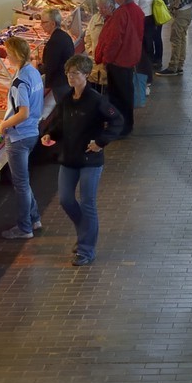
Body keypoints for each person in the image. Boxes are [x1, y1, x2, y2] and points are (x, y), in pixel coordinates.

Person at [39, 55, 123, 266]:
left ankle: (86, 250)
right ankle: (84, 232)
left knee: (88, 204)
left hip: (90, 160)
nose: (71, 78)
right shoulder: (67, 99)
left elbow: (117, 121)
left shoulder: (96, 100)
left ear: (86, 75)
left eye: (75, 74)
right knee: (66, 200)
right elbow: (59, 123)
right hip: (69, 157)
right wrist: (50, 134)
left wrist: (100, 142)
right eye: (69, 73)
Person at [0, 37, 45, 240]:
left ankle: (24, 228)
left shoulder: (19, 82)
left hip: (19, 136)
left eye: (8, 54)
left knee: (21, 184)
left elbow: (23, 112)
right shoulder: (32, 72)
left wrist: (3, 125)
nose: (6, 57)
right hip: (33, 131)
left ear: (14, 55)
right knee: (24, 181)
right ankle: (34, 218)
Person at [93, 0, 145, 137]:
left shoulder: (122, 13)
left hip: (119, 61)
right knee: (125, 95)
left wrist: (106, 59)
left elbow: (115, 39)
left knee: (119, 97)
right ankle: (126, 125)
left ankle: (121, 127)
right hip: (128, 60)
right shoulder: (136, 11)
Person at [145, 0, 192, 77]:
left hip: (183, 9)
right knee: (181, 38)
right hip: (189, 7)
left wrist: (175, 6)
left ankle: (172, 68)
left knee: (175, 39)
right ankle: (179, 65)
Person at [127, 0, 161, 78]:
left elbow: (134, 5)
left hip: (142, 18)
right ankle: (150, 65)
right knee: (149, 42)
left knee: (143, 46)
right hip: (151, 16)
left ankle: (144, 70)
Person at [40, 7, 75, 102]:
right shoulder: (64, 35)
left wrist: (36, 66)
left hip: (61, 83)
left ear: (53, 24)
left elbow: (51, 66)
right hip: (66, 79)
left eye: (44, 22)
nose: (41, 25)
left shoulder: (54, 41)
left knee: (64, 108)